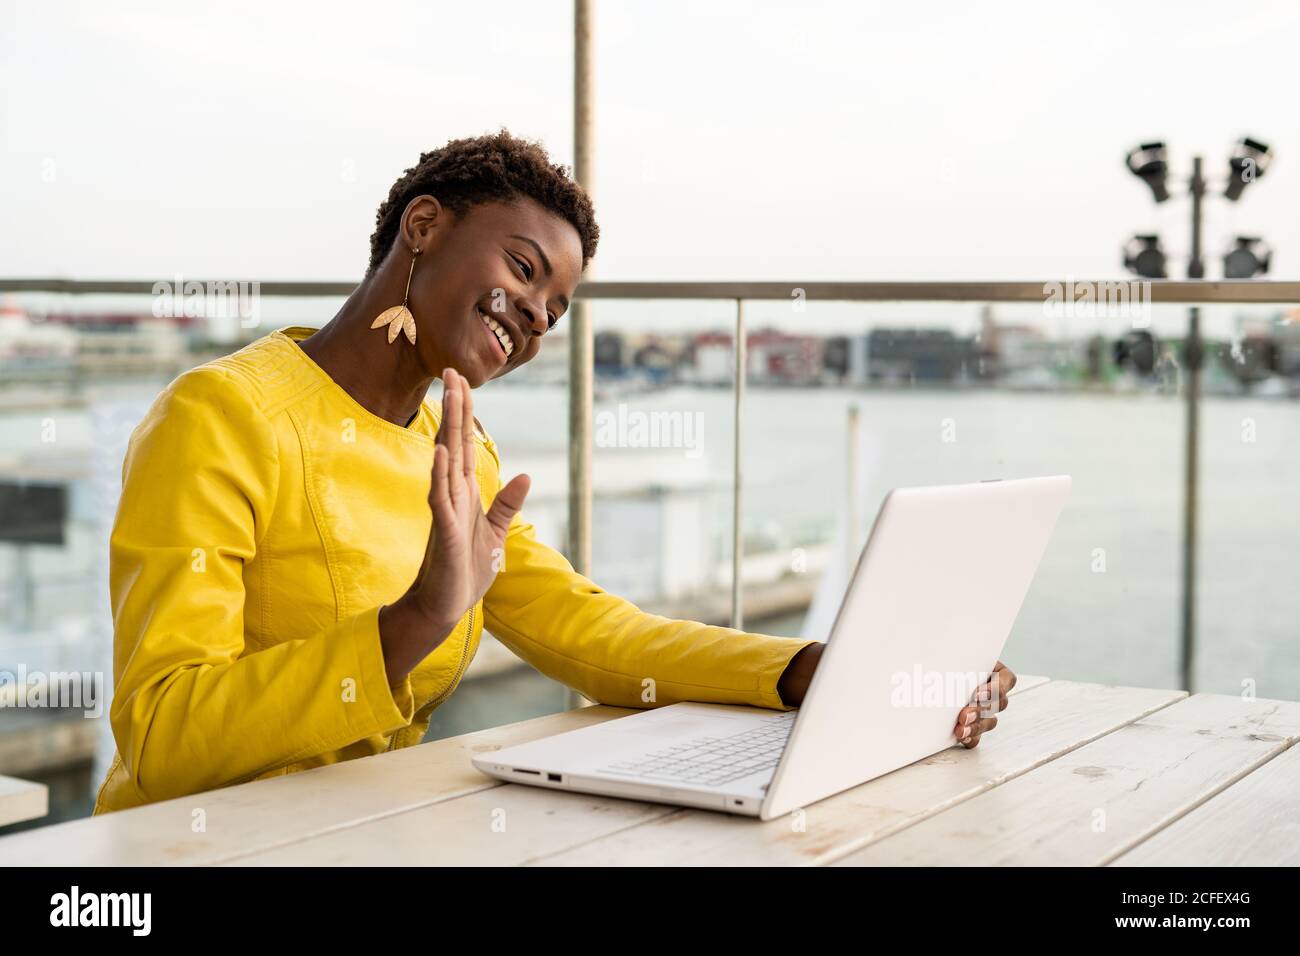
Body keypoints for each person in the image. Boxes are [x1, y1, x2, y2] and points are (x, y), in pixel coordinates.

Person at [94, 131, 1014, 814]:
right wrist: (417, 621)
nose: (534, 315)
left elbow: (596, 636)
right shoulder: (221, 416)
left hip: (365, 828)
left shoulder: (457, 448)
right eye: (523, 269)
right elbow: (163, 737)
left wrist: (814, 669)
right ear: (423, 226)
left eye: (554, 310)